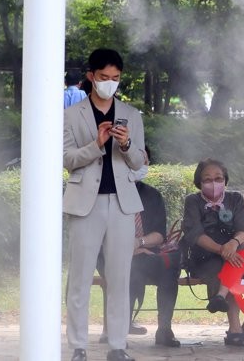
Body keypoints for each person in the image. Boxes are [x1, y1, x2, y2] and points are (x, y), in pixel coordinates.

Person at [63, 48, 145, 361]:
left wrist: (124, 143)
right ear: (91, 77)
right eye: (103, 78)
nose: (109, 83)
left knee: (120, 276)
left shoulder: (132, 114)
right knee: (80, 276)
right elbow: (68, 160)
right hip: (86, 202)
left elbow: (138, 162)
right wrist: (96, 144)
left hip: (122, 203)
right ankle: (78, 346)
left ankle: (117, 345)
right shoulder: (72, 114)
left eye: (115, 79)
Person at [99, 147, 181, 347]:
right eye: (133, 160)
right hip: (109, 254)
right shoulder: (106, 192)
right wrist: (125, 247)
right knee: (131, 271)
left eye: (143, 161)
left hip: (144, 252)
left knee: (169, 270)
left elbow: (159, 234)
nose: (138, 165)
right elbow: (98, 233)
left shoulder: (152, 195)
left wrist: (137, 243)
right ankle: (118, 332)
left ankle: (164, 329)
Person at [181, 158, 244, 347]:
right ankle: (235, 329)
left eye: (218, 178)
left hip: (234, 250)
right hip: (205, 255)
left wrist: (233, 243)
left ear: (225, 179)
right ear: (199, 181)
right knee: (233, 263)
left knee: (241, 257)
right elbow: (194, 234)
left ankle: (221, 299)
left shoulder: (235, 199)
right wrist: (221, 249)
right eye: (207, 179)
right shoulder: (193, 201)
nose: (213, 183)